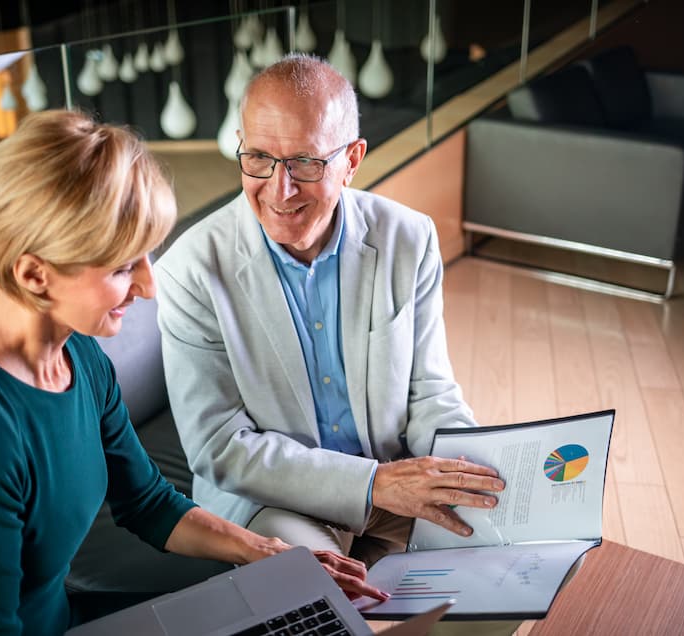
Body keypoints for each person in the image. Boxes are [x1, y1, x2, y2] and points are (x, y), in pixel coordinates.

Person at [0, 109, 384, 636]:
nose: (147, 287)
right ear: (34, 275)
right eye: (120, 267)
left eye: (146, 257)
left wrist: (273, 554)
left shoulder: (80, 357)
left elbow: (148, 503)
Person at [154, 54, 506, 566]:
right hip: (275, 501)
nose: (280, 189)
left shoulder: (409, 238)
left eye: (306, 162)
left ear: (352, 160)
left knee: (509, 555)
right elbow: (221, 448)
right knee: (317, 598)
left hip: (392, 475)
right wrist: (374, 484)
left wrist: (470, 469)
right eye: (258, 158)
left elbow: (430, 392)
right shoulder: (190, 268)